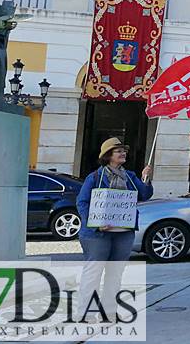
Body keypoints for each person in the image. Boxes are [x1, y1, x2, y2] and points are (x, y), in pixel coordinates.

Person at [75, 137, 153, 321]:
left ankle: (109, 310)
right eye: (118, 151)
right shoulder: (95, 177)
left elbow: (144, 194)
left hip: (122, 233)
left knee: (115, 273)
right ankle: (85, 311)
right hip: (97, 234)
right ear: (108, 156)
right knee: (93, 272)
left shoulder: (131, 177)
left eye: (123, 150)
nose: (123, 153)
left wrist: (146, 179)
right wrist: (94, 222)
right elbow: (82, 202)